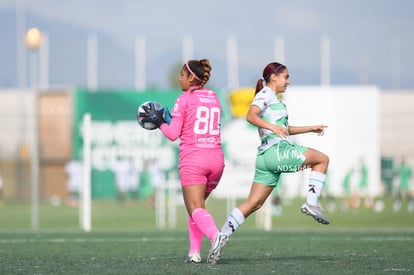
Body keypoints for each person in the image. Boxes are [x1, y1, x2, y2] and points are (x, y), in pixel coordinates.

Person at [220, 61, 330, 245]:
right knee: (322, 160)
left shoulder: (274, 99)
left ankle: (221, 235)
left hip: (265, 158)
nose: (288, 81)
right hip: (277, 152)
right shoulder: (266, 94)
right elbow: (250, 115)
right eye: (286, 77)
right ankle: (311, 203)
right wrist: (272, 127)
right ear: (273, 77)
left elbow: (284, 129)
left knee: (253, 204)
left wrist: (310, 128)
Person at [141, 59, 227, 264]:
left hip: (194, 159)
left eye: (182, 75)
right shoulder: (214, 96)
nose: (179, 79)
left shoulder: (184, 99)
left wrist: (160, 121)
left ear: (191, 78)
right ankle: (194, 253)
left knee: (194, 207)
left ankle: (216, 236)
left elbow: (172, 134)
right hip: (216, 159)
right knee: (197, 208)